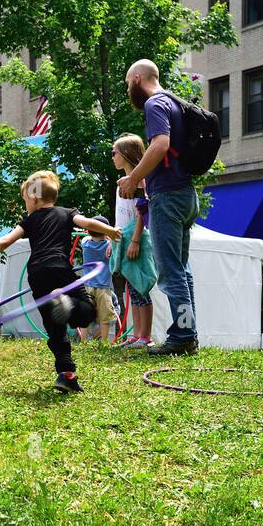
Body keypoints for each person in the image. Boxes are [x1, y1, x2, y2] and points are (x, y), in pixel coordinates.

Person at [0, 170, 121, 393]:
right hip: (60, 269)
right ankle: (67, 304)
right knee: (86, 313)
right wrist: (109, 229)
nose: (25, 205)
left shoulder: (29, 221)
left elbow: (5, 240)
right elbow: (87, 222)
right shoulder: (67, 213)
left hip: (37, 274)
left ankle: (66, 373)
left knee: (54, 327)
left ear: (34, 198)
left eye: (24, 200)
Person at [117, 59, 199, 356]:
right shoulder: (175, 103)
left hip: (168, 197)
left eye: (128, 83)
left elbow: (160, 144)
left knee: (170, 270)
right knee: (182, 268)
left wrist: (133, 178)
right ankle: (188, 331)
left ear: (138, 78)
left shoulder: (154, 105)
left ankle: (183, 334)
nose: (129, 89)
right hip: (187, 195)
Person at [109, 133, 156, 348]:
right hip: (122, 239)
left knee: (141, 287)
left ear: (126, 154)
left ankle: (145, 336)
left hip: (135, 239)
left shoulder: (140, 182)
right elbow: (120, 216)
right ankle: (136, 334)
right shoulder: (121, 184)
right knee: (131, 289)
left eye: (114, 152)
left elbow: (141, 214)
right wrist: (113, 239)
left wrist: (136, 240)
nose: (112, 157)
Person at [77, 221, 117, 343]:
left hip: (87, 286)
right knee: (105, 318)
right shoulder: (108, 246)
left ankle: (83, 342)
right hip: (103, 288)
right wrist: (109, 235)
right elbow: (116, 240)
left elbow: (86, 236)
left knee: (85, 316)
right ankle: (104, 342)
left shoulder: (85, 244)